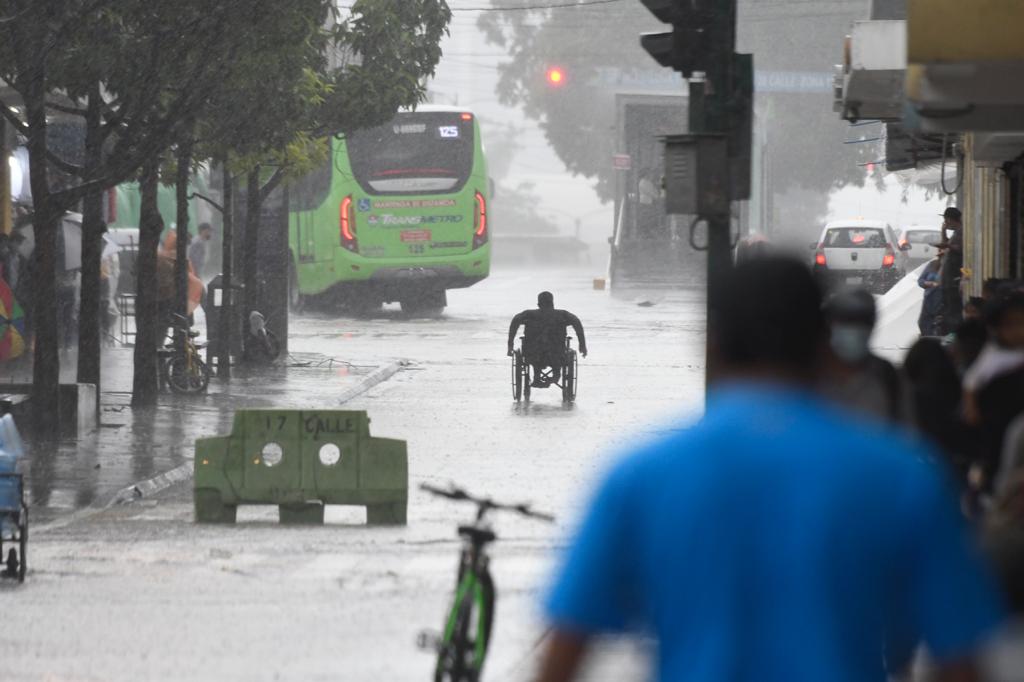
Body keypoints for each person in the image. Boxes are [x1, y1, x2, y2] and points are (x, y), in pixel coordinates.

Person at [535, 257, 1004, 682]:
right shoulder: (902, 480)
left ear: (712, 344)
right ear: (824, 345)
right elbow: (960, 659)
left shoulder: (641, 477)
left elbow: (565, 650)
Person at [820, 289, 903, 423]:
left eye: (861, 324)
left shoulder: (884, 373)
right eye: (846, 322)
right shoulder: (812, 372)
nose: (854, 332)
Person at [507, 292, 587, 388]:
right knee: (554, 352)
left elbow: (516, 320)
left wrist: (510, 344)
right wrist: (582, 345)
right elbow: (576, 322)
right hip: (557, 353)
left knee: (535, 350)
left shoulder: (529, 314)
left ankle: (537, 376)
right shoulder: (562, 314)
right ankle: (556, 375)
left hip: (533, 354)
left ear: (538, 304)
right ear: (552, 303)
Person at [940, 207, 965, 333]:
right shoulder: (956, 233)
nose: (945, 222)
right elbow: (945, 245)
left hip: (954, 278)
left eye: (946, 220)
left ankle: (954, 334)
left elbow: (961, 249)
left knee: (953, 310)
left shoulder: (962, 231)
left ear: (950, 219)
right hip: (948, 279)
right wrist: (943, 232)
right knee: (948, 309)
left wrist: (948, 245)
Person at [917, 256, 943, 335]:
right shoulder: (932, 264)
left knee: (938, 325)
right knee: (923, 323)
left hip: (942, 300)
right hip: (929, 299)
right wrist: (928, 283)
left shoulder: (950, 265)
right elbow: (920, 281)